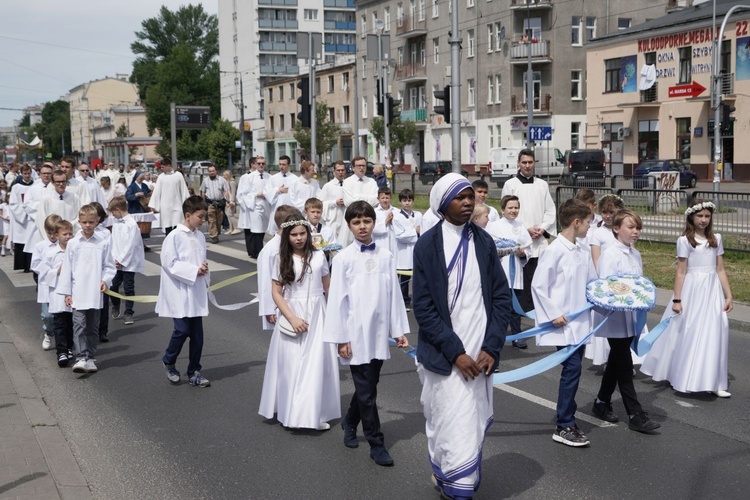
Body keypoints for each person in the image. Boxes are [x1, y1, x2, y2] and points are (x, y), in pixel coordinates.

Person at [412, 173, 510, 499]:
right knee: (446, 421)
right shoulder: (427, 245)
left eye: (471, 196)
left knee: (467, 424)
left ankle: (459, 488)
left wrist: (491, 347)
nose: (468, 202)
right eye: (460, 197)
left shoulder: (484, 241)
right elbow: (424, 308)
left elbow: (500, 297)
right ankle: (449, 477)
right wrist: (456, 353)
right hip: (445, 358)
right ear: (443, 203)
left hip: (480, 355)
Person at [323, 201, 409, 467]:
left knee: (370, 386)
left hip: (379, 332)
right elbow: (337, 300)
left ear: (375, 222)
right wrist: (341, 339)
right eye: (356, 223)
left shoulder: (385, 256)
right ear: (349, 226)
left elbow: (394, 294)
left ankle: (350, 421)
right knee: (367, 392)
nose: (362, 227)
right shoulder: (343, 259)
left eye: (367, 221)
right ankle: (376, 443)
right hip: (355, 333)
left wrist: (399, 330)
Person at [641, 199, 734, 398]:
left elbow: (720, 269)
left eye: (707, 216)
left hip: (711, 290)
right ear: (691, 216)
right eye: (700, 216)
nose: (703, 220)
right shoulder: (685, 240)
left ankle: (714, 380)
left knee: (715, 331)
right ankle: (683, 376)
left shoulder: (716, 238)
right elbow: (681, 272)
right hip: (692, 289)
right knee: (688, 331)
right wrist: (677, 299)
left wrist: (728, 295)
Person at [258, 214, 341, 430]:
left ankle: (310, 414)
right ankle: (290, 413)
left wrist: (337, 313)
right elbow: (276, 293)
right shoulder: (281, 259)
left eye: (302, 233)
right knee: (291, 365)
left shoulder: (320, 256)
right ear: (287, 236)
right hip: (291, 312)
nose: (299, 238)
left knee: (315, 364)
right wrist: (292, 318)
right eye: (294, 235)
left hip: (317, 313)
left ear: (308, 233)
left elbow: (328, 286)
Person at [531, 198, 595, 447]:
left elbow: (590, 283)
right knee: (572, 370)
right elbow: (538, 286)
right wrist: (552, 314)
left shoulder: (582, 250)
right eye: (589, 222)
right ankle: (564, 424)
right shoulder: (554, 250)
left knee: (574, 369)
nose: (590, 227)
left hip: (580, 323)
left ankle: (567, 417)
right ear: (576, 222)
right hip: (562, 323)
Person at [592, 209, 661, 433]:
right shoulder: (610, 254)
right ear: (616, 229)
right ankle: (634, 413)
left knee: (616, 360)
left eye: (638, 227)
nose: (636, 232)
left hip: (631, 316)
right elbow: (607, 286)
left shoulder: (635, 254)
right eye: (630, 227)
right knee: (624, 363)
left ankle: (602, 402)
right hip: (614, 317)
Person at [157, 196, 211, 388]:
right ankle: (169, 361)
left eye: (204, 217)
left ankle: (194, 370)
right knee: (182, 330)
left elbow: (200, 258)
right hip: (178, 291)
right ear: (188, 215)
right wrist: (194, 271)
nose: (203, 220)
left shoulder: (200, 236)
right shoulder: (174, 236)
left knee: (197, 334)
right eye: (200, 216)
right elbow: (169, 263)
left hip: (195, 290)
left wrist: (203, 269)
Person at [57, 205, 117, 374]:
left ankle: (90, 357)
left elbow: (109, 266)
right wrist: (67, 292)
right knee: (79, 325)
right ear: (79, 222)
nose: (88, 225)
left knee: (92, 327)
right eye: (84, 222)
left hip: (95, 292)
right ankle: (81, 356)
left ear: (97, 221)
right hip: (78, 291)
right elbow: (67, 268)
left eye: (91, 222)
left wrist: (105, 280)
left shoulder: (102, 242)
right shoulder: (74, 243)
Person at [501, 149, 557, 313]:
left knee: (539, 275)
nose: (527, 166)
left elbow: (550, 210)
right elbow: (507, 210)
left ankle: (537, 307)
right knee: (521, 276)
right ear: (518, 164)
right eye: (524, 162)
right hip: (520, 237)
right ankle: (520, 309)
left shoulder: (542, 184)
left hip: (539, 238)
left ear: (534, 163)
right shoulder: (510, 184)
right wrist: (526, 229)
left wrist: (543, 228)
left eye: (530, 162)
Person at [486, 195, 533, 349]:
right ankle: (497, 337)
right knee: (500, 308)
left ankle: (517, 337)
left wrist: (522, 254)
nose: (513, 211)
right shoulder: (493, 226)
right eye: (510, 208)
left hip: (516, 274)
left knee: (515, 309)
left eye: (516, 208)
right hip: (499, 273)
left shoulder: (521, 227)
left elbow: (528, 249)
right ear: (502, 209)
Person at [257, 206, 304, 331]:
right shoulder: (270, 250)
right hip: (278, 302)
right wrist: (268, 308)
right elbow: (265, 280)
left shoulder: (292, 244)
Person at [40, 220, 75, 367]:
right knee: (59, 323)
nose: (68, 236)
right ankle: (61, 351)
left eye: (70, 234)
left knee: (71, 322)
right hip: (58, 293)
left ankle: (69, 346)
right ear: (56, 235)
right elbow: (43, 274)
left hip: (73, 293)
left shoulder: (75, 250)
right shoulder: (50, 253)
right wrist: (57, 271)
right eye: (64, 234)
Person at [109, 196, 145, 327]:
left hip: (129, 262)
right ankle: (116, 303)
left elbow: (132, 245)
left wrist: (123, 260)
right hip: (116, 262)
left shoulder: (131, 224)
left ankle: (128, 312)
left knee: (129, 288)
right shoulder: (117, 223)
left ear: (118, 209)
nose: (112, 215)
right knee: (113, 286)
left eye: (113, 212)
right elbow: (113, 243)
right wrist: (114, 259)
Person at [30, 214, 62, 351]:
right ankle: (49, 333)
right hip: (47, 285)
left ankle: (65, 341)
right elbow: (35, 265)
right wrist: (53, 271)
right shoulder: (40, 246)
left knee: (62, 315)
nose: (53, 236)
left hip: (62, 285)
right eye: (50, 233)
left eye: (55, 233)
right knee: (47, 315)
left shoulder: (66, 244)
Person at [237, 157, 275, 258]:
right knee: (257, 229)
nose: (261, 165)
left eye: (263, 163)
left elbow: (272, 190)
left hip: (266, 205)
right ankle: (259, 252)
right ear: (255, 164)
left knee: (262, 229)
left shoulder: (269, 177)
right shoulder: (250, 177)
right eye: (259, 163)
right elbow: (245, 193)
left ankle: (257, 250)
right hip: (255, 205)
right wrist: (256, 195)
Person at [340, 157, 378, 246]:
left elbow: (375, 200)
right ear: (353, 168)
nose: (361, 168)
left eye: (363, 166)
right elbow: (349, 202)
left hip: (368, 216)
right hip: (352, 216)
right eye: (359, 166)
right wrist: (367, 198)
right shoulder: (347, 182)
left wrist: (356, 197)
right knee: (348, 244)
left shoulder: (372, 182)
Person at [393, 189, 421, 306]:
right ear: (400, 202)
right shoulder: (397, 217)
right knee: (403, 279)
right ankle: (403, 301)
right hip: (403, 252)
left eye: (409, 200)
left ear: (413, 201)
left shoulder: (419, 215)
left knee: (416, 278)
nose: (407, 203)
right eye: (404, 200)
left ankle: (417, 300)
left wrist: (416, 232)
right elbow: (399, 236)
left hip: (415, 251)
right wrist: (414, 231)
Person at [36, 170, 82, 241]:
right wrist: (49, 238)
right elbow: (41, 220)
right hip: (53, 239)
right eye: (58, 182)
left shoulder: (74, 198)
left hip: (70, 237)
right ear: (53, 183)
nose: (61, 184)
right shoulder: (46, 199)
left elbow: (80, 217)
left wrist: (68, 227)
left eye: (63, 181)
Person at [148, 159, 190, 236]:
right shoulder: (161, 177)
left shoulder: (178, 175)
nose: (161, 169)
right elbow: (157, 191)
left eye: (163, 167)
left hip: (177, 205)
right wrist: (154, 204)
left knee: (178, 225)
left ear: (169, 165)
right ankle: (169, 242)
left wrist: (186, 202)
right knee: (168, 226)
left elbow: (183, 189)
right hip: (166, 206)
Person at [20, 162, 54, 255]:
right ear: (40, 175)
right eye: (44, 173)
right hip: (37, 222)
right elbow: (26, 205)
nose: (46, 175)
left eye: (49, 173)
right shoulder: (33, 188)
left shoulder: (56, 187)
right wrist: (41, 207)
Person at [8, 164, 35, 272]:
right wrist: (24, 211)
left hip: (32, 217)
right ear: (21, 174)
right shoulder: (16, 187)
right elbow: (13, 204)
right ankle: (23, 265)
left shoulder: (35, 186)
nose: (27, 175)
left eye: (28, 173)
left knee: (32, 240)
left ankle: (31, 264)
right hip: (21, 220)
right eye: (25, 173)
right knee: (22, 241)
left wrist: (31, 210)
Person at [589, 194, 625, 269]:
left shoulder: (624, 231)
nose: (608, 216)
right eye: (604, 212)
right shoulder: (597, 233)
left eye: (611, 212)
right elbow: (596, 261)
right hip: (605, 271)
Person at [266, 155, 298, 235]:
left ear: (289, 165)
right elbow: (267, 193)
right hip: (277, 210)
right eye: (280, 164)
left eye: (284, 164)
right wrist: (277, 190)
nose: (281, 166)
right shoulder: (273, 178)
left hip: (290, 211)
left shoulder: (295, 179)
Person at [319, 161, 347, 244]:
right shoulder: (328, 186)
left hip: (345, 217)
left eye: (342, 170)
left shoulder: (348, 184)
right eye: (338, 170)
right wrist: (335, 202)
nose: (340, 172)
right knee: (332, 241)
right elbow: (320, 203)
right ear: (334, 171)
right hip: (333, 218)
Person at [200, 165, 230, 244]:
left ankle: (217, 233)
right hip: (210, 203)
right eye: (210, 171)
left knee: (219, 221)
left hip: (220, 203)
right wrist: (203, 203)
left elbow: (226, 190)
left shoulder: (222, 180)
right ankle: (214, 236)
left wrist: (228, 200)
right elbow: (203, 192)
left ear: (216, 171)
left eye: (213, 171)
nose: (212, 173)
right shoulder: (205, 181)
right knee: (211, 220)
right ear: (208, 172)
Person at [372, 187, 397, 257]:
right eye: (382, 198)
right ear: (378, 199)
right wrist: (385, 222)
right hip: (380, 241)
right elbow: (373, 228)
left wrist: (392, 222)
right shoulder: (374, 212)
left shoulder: (396, 211)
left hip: (393, 241)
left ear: (390, 198)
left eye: (387, 198)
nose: (385, 200)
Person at [222, 170, 240, 235]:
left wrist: (232, 201)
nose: (223, 176)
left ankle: (236, 228)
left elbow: (233, 192)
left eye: (225, 175)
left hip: (232, 201)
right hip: (228, 200)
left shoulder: (232, 182)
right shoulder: (227, 182)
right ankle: (231, 228)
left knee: (230, 214)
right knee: (228, 214)